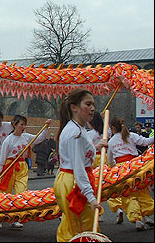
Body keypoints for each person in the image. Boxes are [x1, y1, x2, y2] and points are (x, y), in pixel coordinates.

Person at [53, 88, 104, 242]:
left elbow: (79, 156)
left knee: (71, 226)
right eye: (88, 104)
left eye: (93, 104)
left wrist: (97, 147)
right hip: (75, 183)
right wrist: (91, 198)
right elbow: (78, 168)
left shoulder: (78, 129)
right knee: (81, 228)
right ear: (74, 107)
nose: (92, 108)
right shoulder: (76, 133)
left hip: (71, 179)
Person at [0, 115, 51, 229]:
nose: (23, 127)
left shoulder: (26, 137)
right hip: (9, 167)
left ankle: (15, 219)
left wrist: (46, 128)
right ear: (15, 125)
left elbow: (38, 138)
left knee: (21, 192)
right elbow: (2, 159)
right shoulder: (8, 141)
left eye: (25, 124)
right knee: (5, 194)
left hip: (22, 167)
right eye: (21, 124)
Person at [106, 116, 154, 231]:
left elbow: (109, 159)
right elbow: (146, 142)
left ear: (112, 128)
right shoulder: (131, 136)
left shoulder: (111, 141)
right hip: (134, 166)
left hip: (121, 170)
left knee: (128, 194)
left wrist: (114, 168)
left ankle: (137, 220)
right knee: (141, 190)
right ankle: (147, 216)